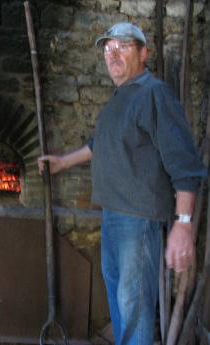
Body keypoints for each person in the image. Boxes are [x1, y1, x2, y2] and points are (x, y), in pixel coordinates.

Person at [38, 22, 207, 345]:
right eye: (108, 49)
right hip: (113, 216)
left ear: (144, 53)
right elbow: (98, 144)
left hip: (138, 221)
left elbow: (186, 165)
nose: (113, 54)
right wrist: (62, 163)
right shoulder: (119, 100)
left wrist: (183, 224)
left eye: (123, 47)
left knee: (134, 309)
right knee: (121, 307)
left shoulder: (154, 94)